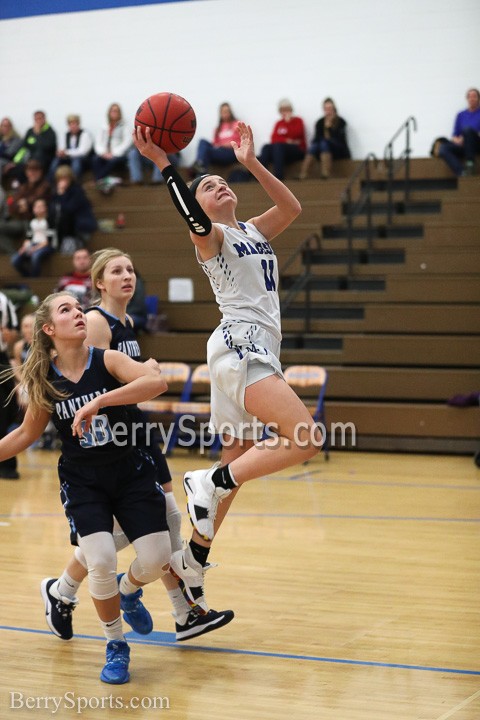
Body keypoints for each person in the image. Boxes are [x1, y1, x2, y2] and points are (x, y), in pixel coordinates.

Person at [133, 122, 322, 613]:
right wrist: (163, 165)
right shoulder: (211, 237)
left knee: (235, 456)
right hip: (243, 347)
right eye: (207, 187)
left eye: (222, 182)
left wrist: (252, 163)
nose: (219, 185)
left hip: (244, 350)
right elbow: (190, 213)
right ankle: (208, 484)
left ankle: (193, 560)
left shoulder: (254, 229)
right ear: (201, 207)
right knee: (305, 439)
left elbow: (293, 208)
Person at [43, 249, 233, 645]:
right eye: (116, 270)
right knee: (134, 532)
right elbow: (94, 383)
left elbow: (123, 385)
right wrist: (144, 375)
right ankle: (176, 610)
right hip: (109, 445)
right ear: (99, 282)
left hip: (134, 435)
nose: (127, 276)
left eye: (131, 268)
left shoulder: (125, 321)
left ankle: (70, 591)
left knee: (151, 529)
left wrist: (144, 374)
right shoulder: (94, 323)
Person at [0, 292, 174, 683]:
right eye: (67, 310)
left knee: (157, 558)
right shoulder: (47, 379)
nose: (79, 313)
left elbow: (156, 381)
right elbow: (27, 433)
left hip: (130, 472)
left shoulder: (107, 359)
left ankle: (128, 591)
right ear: (49, 329)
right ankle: (116, 645)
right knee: (99, 560)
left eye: (80, 308)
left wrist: (100, 402)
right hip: (83, 481)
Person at [0, 158, 51, 254]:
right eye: (29, 171)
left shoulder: (45, 185)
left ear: (40, 172)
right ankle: (13, 254)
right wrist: (21, 205)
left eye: (35, 171)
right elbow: (11, 204)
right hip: (20, 221)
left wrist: (26, 203)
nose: (32, 173)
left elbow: (38, 199)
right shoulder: (23, 187)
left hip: (36, 221)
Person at [297, 97, 351, 180]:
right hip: (323, 149)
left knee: (324, 143)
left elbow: (339, 139)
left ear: (334, 109)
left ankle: (325, 172)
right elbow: (316, 138)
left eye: (330, 108)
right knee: (315, 146)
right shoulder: (320, 122)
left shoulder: (340, 122)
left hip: (338, 149)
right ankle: (303, 173)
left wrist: (329, 128)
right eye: (326, 108)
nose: (328, 110)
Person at [433, 88, 480, 177]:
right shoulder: (461, 115)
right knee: (443, 148)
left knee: (467, 130)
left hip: (476, 145)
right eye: (470, 97)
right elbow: (455, 133)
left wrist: (467, 136)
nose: (472, 99)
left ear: (478, 99)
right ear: (467, 99)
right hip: (463, 146)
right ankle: (462, 172)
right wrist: (457, 140)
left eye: (474, 96)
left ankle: (470, 163)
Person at [49, 165, 97, 252]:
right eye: (60, 179)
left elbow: (68, 209)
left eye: (65, 179)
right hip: (64, 227)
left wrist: (62, 194)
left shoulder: (77, 192)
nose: (63, 182)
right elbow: (53, 209)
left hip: (79, 226)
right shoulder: (55, 193)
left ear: (70, 179)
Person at [258, 99, 306, 180]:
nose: (285, 112)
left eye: (287, 110)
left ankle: (279, 177)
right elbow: (273, 138)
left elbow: (297, 134)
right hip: (281, 149)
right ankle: (261, 176)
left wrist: (288, 123)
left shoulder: (298, 120)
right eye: (282, 110)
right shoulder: (279, 123)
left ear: (291, 110)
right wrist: (286, 140)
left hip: (297, 150)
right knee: (266, 147)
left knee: (278, 147)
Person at [190, 102, 241, 176]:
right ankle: (200, 165)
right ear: (220, 113)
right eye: (223, 112)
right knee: (202, 141)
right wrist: (220, 145)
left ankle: (199, 167)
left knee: (206, 153)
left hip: (231, 152)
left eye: (227, 111)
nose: (225, 114)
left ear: (230, 112)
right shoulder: (218, 128)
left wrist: (226, 144)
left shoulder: (237, 124)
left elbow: (242, 143)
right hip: (219, 151)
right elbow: (215, 144)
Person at [0, 291, 20, 479]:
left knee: (7, 409)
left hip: (1, 359)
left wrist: (9, 335)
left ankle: (7, 463)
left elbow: (13, 332)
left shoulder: (3, 300)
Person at [10, 197, 56, 277]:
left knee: (35, 256)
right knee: (15, 259)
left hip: (46, 246)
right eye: (36, 206)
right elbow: (28, 238)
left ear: (45, 208)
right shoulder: (32, 222)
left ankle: (35, 279)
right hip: (33, 245)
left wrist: (35, 248)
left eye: (41, 206)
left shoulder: (50, 221)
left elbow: (49, 240)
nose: (38, 208)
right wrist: (24, 247)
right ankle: (27, 276)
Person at [10, 110, 57, 180]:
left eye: (40, 118)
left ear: (44, 119)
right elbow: (24, 147)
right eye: (36, 119)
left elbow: (47, 147)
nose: (38, 121)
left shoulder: (50, 132)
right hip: (29, 159)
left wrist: (38, 135)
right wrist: (15, 161)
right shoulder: (30, 131)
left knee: (34, 166)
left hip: (45, 160)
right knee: (17, 169)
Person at [92, 103, 131, 183]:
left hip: (119, 155)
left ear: (119, 113)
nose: (114, 113)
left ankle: (98, 180)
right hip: (105, 154)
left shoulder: (125, 126)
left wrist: (113, 153)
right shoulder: (103, 127)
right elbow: (98, 142)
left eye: (116, 111)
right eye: (112, 111)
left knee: (113, 161)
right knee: (95, 159)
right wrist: (103, 153)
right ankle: (104, 180)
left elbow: (127, 142)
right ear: (109, 113)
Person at [49, 114, 94, 181]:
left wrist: (67, 152)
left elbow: (82, 151)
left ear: (78, 124)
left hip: (84, 159)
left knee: (76, 161)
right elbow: (62, 147)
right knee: (56, 160)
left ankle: (75, 182)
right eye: (70, 124)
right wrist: (60, 152)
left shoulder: (85, 134)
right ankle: (50, 181)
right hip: (68, 158)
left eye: (74, 124)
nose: (73, 126)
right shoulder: (65, 135)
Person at [0, 117, 23, 182]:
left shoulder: (16, 139)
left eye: (7, 126)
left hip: (9, 161)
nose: (5, 128)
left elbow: (9, 154)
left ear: (11, 127)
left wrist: (13, 163)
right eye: (3, 126)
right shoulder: (1, 138)